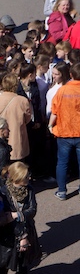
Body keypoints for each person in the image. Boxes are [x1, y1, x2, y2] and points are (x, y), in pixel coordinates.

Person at [0, 161, 39, 274]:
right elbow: (4, 218)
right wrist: (20, 224)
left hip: (26, 231)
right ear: (17, 178)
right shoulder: (4, 193)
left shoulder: (30, 190)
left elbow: (32, 210)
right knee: (3, 266)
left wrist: (16, 215)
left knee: (23, 264)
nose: (29, 179)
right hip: (8, 235)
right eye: (26, 177)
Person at [48, 62, 80, 201]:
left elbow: (54, 111)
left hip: (64, 131)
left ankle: (62, 191)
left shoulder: (62, 91)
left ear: (71, 74)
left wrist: (50, 125)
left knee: (62, 162)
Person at [0, 73, 32, 162]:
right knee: (18, 168)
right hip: (18, 139)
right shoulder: (23, 100)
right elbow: (27, 119)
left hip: (0, 139)